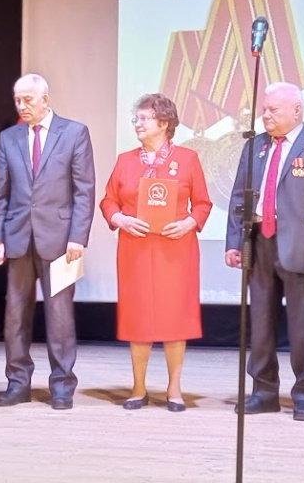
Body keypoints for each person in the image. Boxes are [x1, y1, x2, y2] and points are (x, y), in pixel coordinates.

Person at [225, 81, 304, 422]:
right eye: (264, 109)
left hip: (303, 248)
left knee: (303, 326)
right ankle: (263, 392)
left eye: (273, 109)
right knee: (260, 325)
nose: (265, 115)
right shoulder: (255, 147)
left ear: (297, 110)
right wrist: (234, 242)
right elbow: (239, 198)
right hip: (259, 244)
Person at [0, 73, 96, 410]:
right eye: (17, 100)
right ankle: (17, 383)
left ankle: (62, 386)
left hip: (61, 240)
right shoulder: (9, 137)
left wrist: (78, 237)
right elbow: (1, 194)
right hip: (18, 238)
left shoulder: (74, 132)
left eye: (28, 100)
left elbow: (84, 191)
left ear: (45, 99)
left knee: (60, 316)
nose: (22, 106)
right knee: (15, 315)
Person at [99, 93, 212, 412]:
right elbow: (108, 201)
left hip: (176, 249)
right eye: (136, 118)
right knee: (138, 317)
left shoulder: (188, 159)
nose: (137, 123)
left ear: (164, 123)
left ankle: (174, 388)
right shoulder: (125, 160)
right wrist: (119, 219)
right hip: (135, 249)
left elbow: (202, 203)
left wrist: (189, 223)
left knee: (175, 316)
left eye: (144, 118)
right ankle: (138, 387)